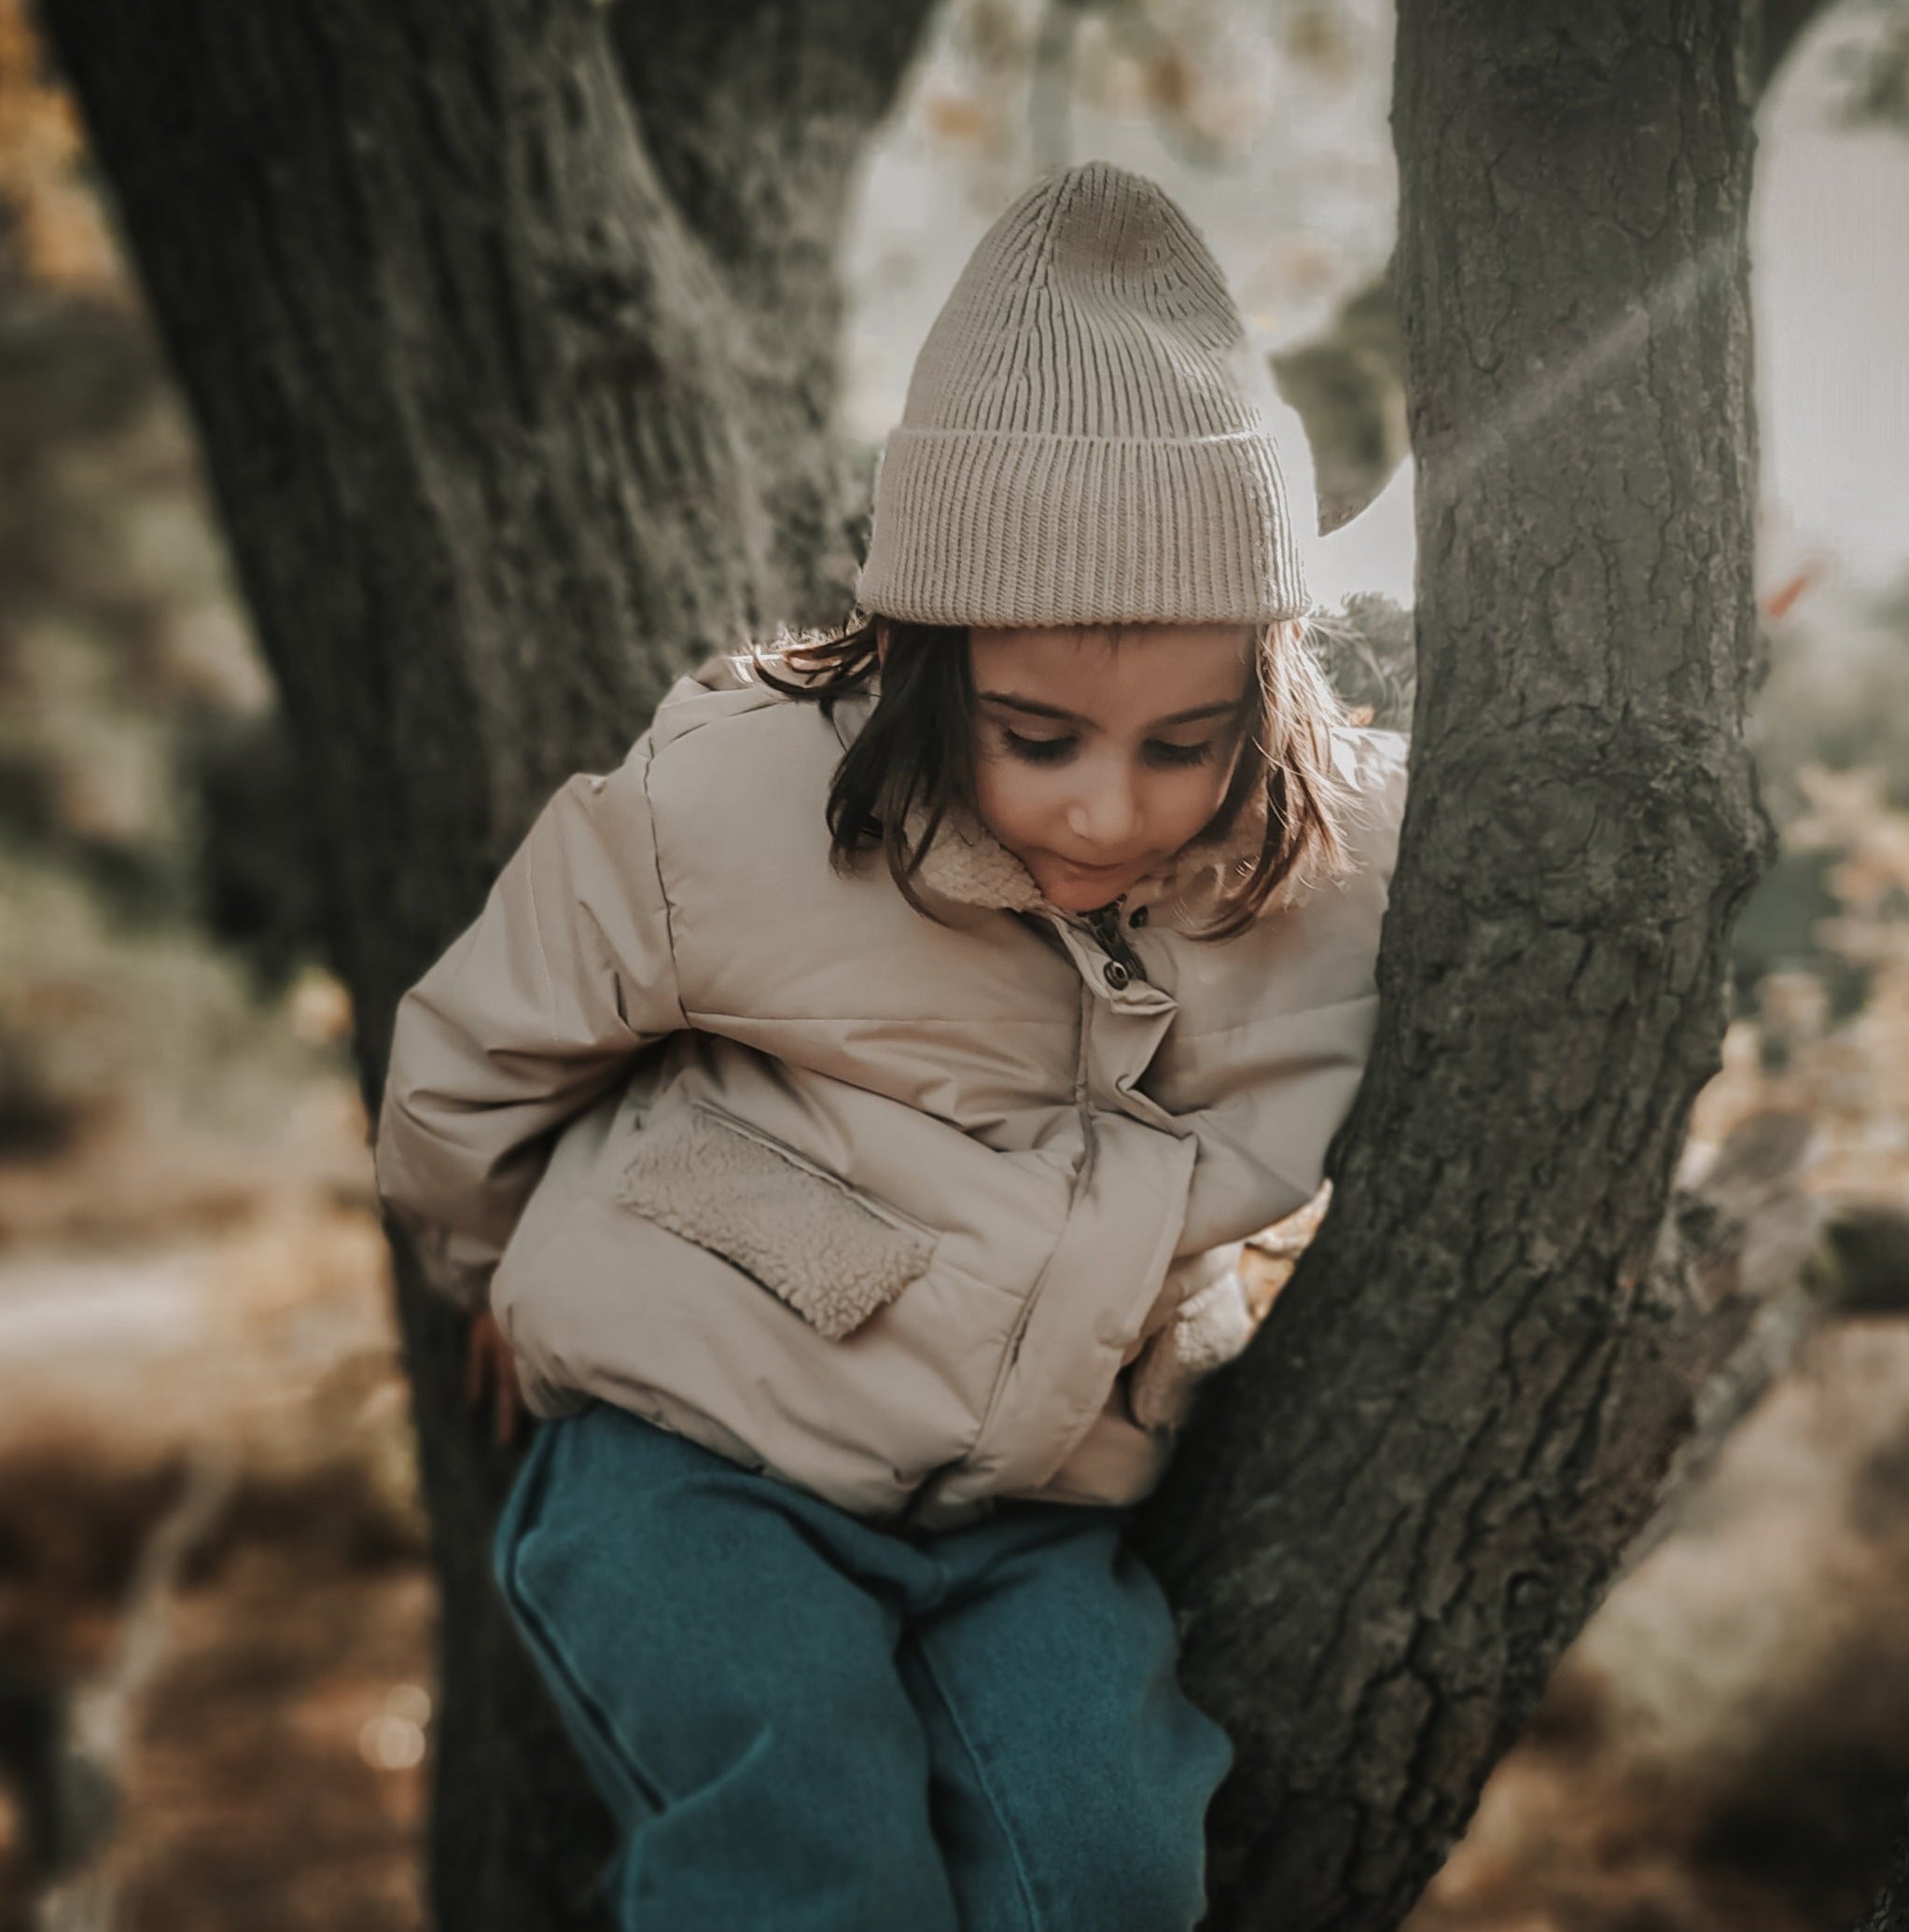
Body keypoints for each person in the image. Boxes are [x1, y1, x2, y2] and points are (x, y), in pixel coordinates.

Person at [372, 158, 1408, 1932]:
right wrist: (499, 1280)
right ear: (929, 659)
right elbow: (473, 1060)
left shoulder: (1324, 878)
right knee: (808, 1865)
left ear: (1272, 683)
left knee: (1101, 1874)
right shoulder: (734, 802)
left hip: (1027, 1510)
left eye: (1185, 740)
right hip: (694, 1456)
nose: (1111, 807)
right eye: (1038, 732)